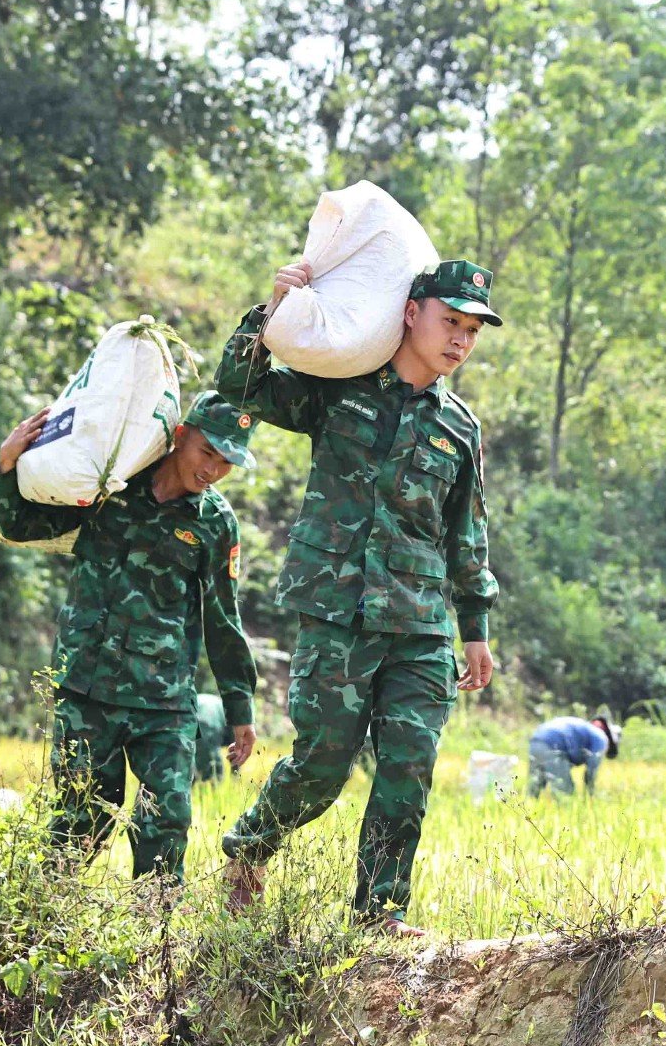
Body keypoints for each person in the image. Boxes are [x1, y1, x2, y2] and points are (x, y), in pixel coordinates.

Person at [215, 256, 502, 935]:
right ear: (412, 314)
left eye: (472, 329)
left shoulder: (460, 428)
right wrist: (272, 309)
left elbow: (467, 531)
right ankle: (250, 846)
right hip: (339, 611)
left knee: (408, 768)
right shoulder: (339, 388)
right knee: (321, 766)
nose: (459, 338)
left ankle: (380, 912)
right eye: (449, 320)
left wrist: (476, 624)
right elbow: (241, 386)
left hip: (420, 622)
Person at [0, 390, 260, 880]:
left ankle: (151, 944)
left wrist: (239, 709)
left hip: (165, 699)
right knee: (81, 822)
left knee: (167, 822)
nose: (213, 470)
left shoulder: (215, 522)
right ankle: (37, 934)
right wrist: (7, 466)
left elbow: (223, 617)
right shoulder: (109, 483)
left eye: (227, 463)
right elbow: (23, 524)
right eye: (207, 453)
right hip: (88, 686)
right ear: (180, 437)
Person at [528, 712, 620, 797]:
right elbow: (592, 767)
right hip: (554, 745)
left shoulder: (585, 728)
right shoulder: (601, 737)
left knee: (534, 789)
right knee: (565, 792)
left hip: (536, 741)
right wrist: (590, 795)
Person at [191, 692, 234, 784]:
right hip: (208, 724)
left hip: (185, 719)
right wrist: (235, 774)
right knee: (213, 764)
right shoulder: (228, 708)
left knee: (186, 759)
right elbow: (235, 747)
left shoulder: (212, 701)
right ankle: (214, 789)